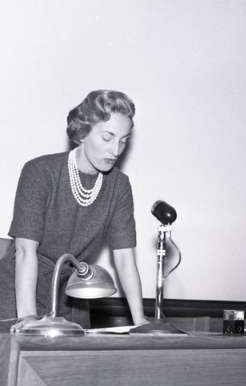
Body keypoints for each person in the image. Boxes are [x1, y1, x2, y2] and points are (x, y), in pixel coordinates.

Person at [0, 90, 147, 327]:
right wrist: (27, 317)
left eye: (123, 140)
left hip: (71, 293)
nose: (115, 150)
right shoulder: (40, 172)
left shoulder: (119, 185)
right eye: (107, 138)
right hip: (17, 293)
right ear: (82, 132)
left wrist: (140, 321)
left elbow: (124, 259)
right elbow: (25, 251)